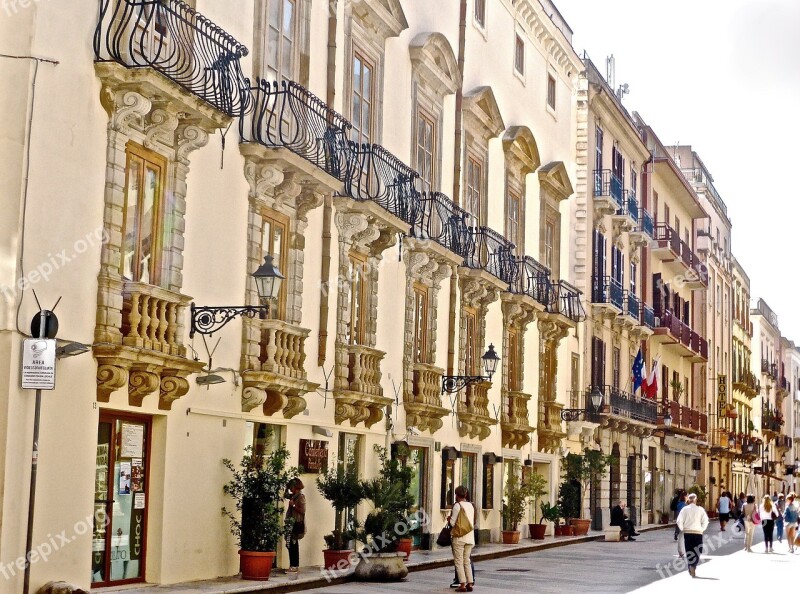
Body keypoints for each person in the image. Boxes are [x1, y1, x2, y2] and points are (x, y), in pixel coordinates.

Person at [448, 485, 475, 593]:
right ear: (466, 494)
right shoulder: (471, 505)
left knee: (458, 561)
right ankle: (470, 583)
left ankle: (462, 584)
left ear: (456, 495)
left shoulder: (457, 506)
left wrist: (449, 519)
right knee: (467, 561)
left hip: (459, 538)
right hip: (470, 537)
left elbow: (452, 523)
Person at [676, 493, 709, 578]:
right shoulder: (700, 510)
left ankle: (690, 565)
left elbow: (679, 521)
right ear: (695, 500)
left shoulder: (684, 509)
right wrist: (702, 529)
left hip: (688, 533)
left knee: (689, 550)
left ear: (688, 500)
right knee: (698, 551)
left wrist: (683, 528)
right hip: (698, 532)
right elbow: (705, 521)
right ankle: (693, 565)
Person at [284, 478, 306, 573]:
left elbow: (303, 510)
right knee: (290, 544)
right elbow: (286, 495)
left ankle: (294, 566)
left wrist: (293, 506)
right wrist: (286, 487)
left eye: (291, 487)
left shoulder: (300, 497)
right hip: (291, 523)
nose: (290, 489)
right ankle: (292, 565)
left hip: (296, 523)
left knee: (293, 544)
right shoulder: (294, 496)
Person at [676, 492, 688, 558]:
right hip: (683, 523)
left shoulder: (680, 504)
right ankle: (681, 552)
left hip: (680, 522)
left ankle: (681, 551)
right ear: (685, 497)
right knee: (682, 537)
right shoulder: (683, 505)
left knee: (681, 537)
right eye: (687, 496)